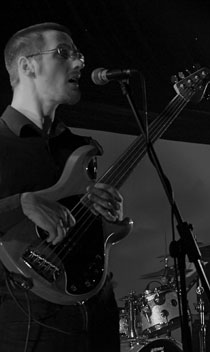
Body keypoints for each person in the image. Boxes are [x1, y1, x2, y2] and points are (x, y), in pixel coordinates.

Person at [0, 23, 125, 352]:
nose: (79, 63)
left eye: (79, 55)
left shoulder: (80, 146)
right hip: (22, 318)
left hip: (97, 312)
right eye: (64, 54)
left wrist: (106, 214)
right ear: (28, 65)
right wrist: (23, 203)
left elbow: (80, 225)